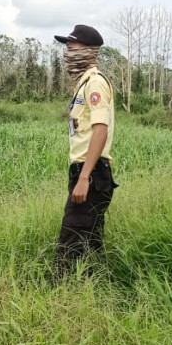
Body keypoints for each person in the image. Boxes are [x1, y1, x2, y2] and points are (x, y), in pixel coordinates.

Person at [53, 24, 118, 278]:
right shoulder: (82, 84)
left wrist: (84, 178)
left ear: (89, 51)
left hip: (90, 172)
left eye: (72, 47)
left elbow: (99, 131)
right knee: (89, 241)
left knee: (70, 241)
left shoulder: (96, 83)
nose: (67, 52)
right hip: (86, 170)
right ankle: (94, 288)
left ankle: (60, 296)